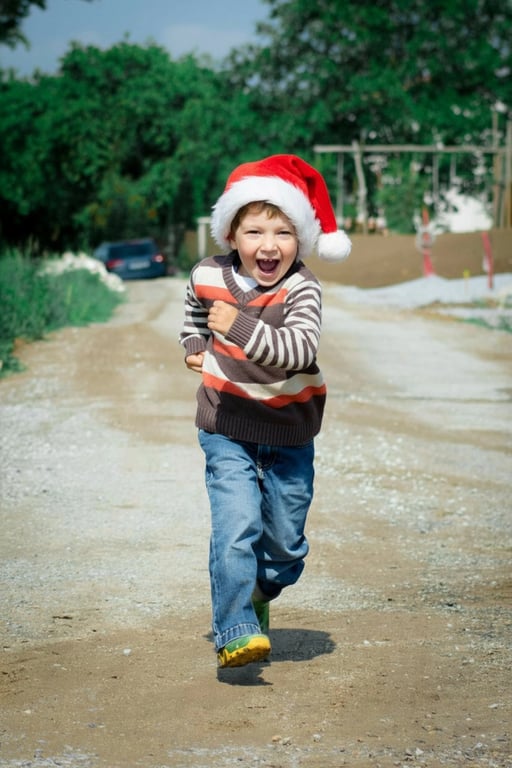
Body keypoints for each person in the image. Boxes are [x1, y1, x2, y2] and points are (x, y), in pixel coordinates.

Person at [179, 154, 351, 669]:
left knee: (285, 549)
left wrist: (233, 326)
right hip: (226, 423)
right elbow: (194, 306)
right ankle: (233, 629)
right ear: (231, 235)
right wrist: (193, 339)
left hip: (289, 431)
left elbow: (297, 350)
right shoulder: (207, 274)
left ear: (301, 238)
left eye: (283, 232)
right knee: (236, 528)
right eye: (254, 231)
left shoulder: (303, 288)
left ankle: (256, 595)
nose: (269, 245)